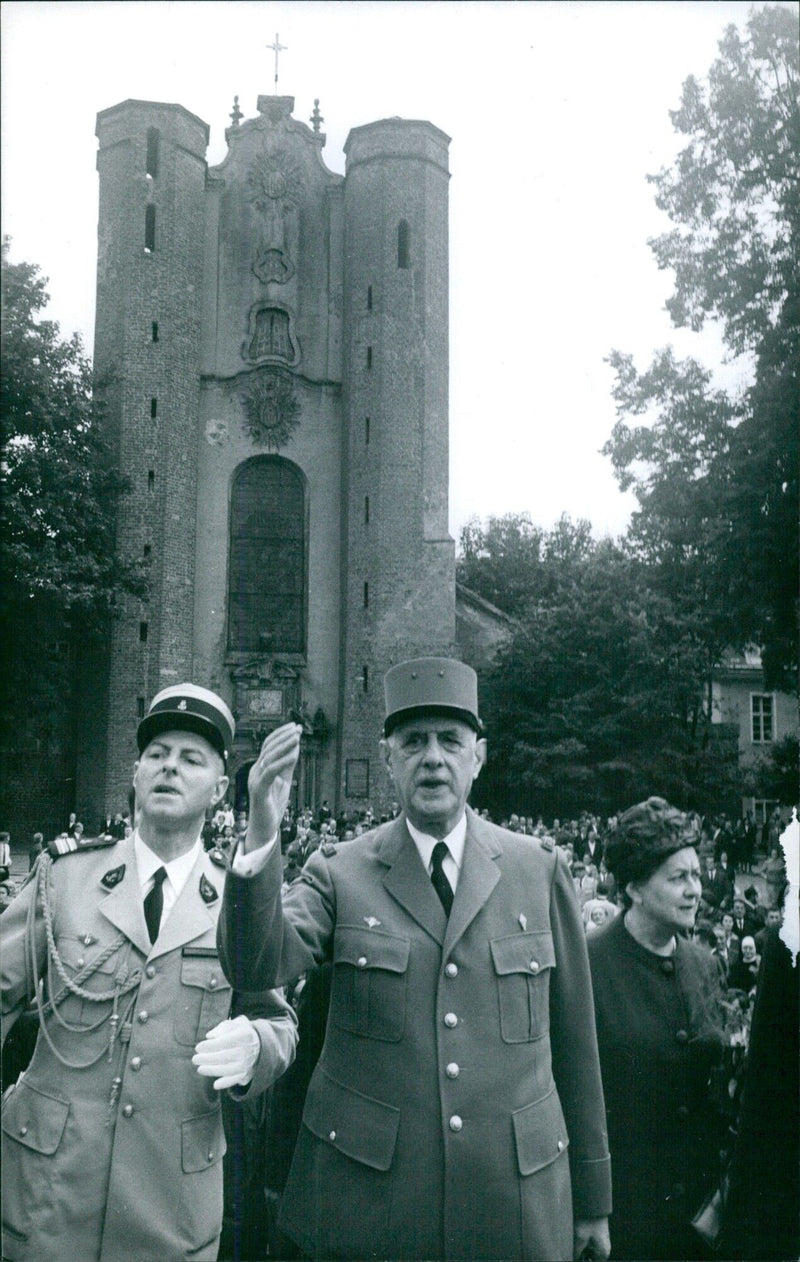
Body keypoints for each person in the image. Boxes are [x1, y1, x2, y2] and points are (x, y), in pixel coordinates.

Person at [219, 657, 611, 1261]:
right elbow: (256, 965)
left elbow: (577, 1048)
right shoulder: (338, 872)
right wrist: (262, 834)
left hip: (512, 1207)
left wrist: (592, 1198)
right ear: (387, 760)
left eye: (450, 741)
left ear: (478, 757)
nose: (433, 758)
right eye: (413, 742)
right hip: (368, 1208)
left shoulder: (539, 869)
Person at [1, 683, 297, 1262]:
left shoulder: (236, 900)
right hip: (46, 1189)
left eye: (191, 759)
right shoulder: (64, 877)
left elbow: (278, 1021)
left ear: (219, 788)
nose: (169, 768)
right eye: (157, 754)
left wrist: (256, 1047)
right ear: (135, 775)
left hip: (169, 1205)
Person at [587, 797, 726, 1261]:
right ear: (635, 888)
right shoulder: (587, 966)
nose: (695, 890)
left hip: (700, 1219)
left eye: (696, 875)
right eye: (678, 878)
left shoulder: (704, 964)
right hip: (625, 1220)